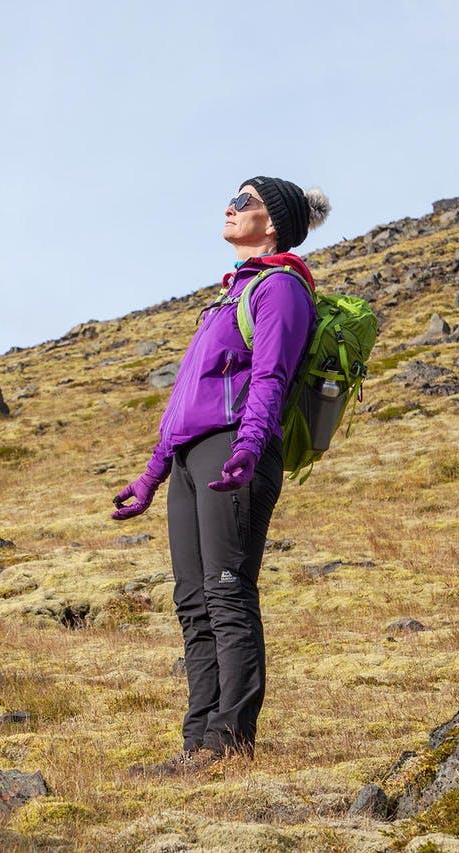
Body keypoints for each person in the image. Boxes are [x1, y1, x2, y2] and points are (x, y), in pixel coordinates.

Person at [113, 176, 330, 774]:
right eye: (231, 199)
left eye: (246, 202)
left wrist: (251, 447)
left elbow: (270, 378)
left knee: (227, 592)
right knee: (192, 602)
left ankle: (230, 744)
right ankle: (197, 746)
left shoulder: (281, 289)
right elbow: (187, 401)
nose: (230, 209)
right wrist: (152, 476)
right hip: (191, 458)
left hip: (234, 449)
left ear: (275, 223)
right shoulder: (228, 297)